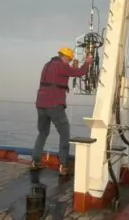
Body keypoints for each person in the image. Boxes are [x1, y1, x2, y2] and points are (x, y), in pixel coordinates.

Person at [32, 47, 93, 175]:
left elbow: (55, 79)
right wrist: (87, 63)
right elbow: (80, 72)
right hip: (54, 104)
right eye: (69, 60)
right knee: (64, 133)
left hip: (41, 104)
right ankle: (63, 165)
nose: (69, 62)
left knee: (42, 132)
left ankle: (35, 161)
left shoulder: (47, 65)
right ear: (65, 57)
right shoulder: (61, 66)